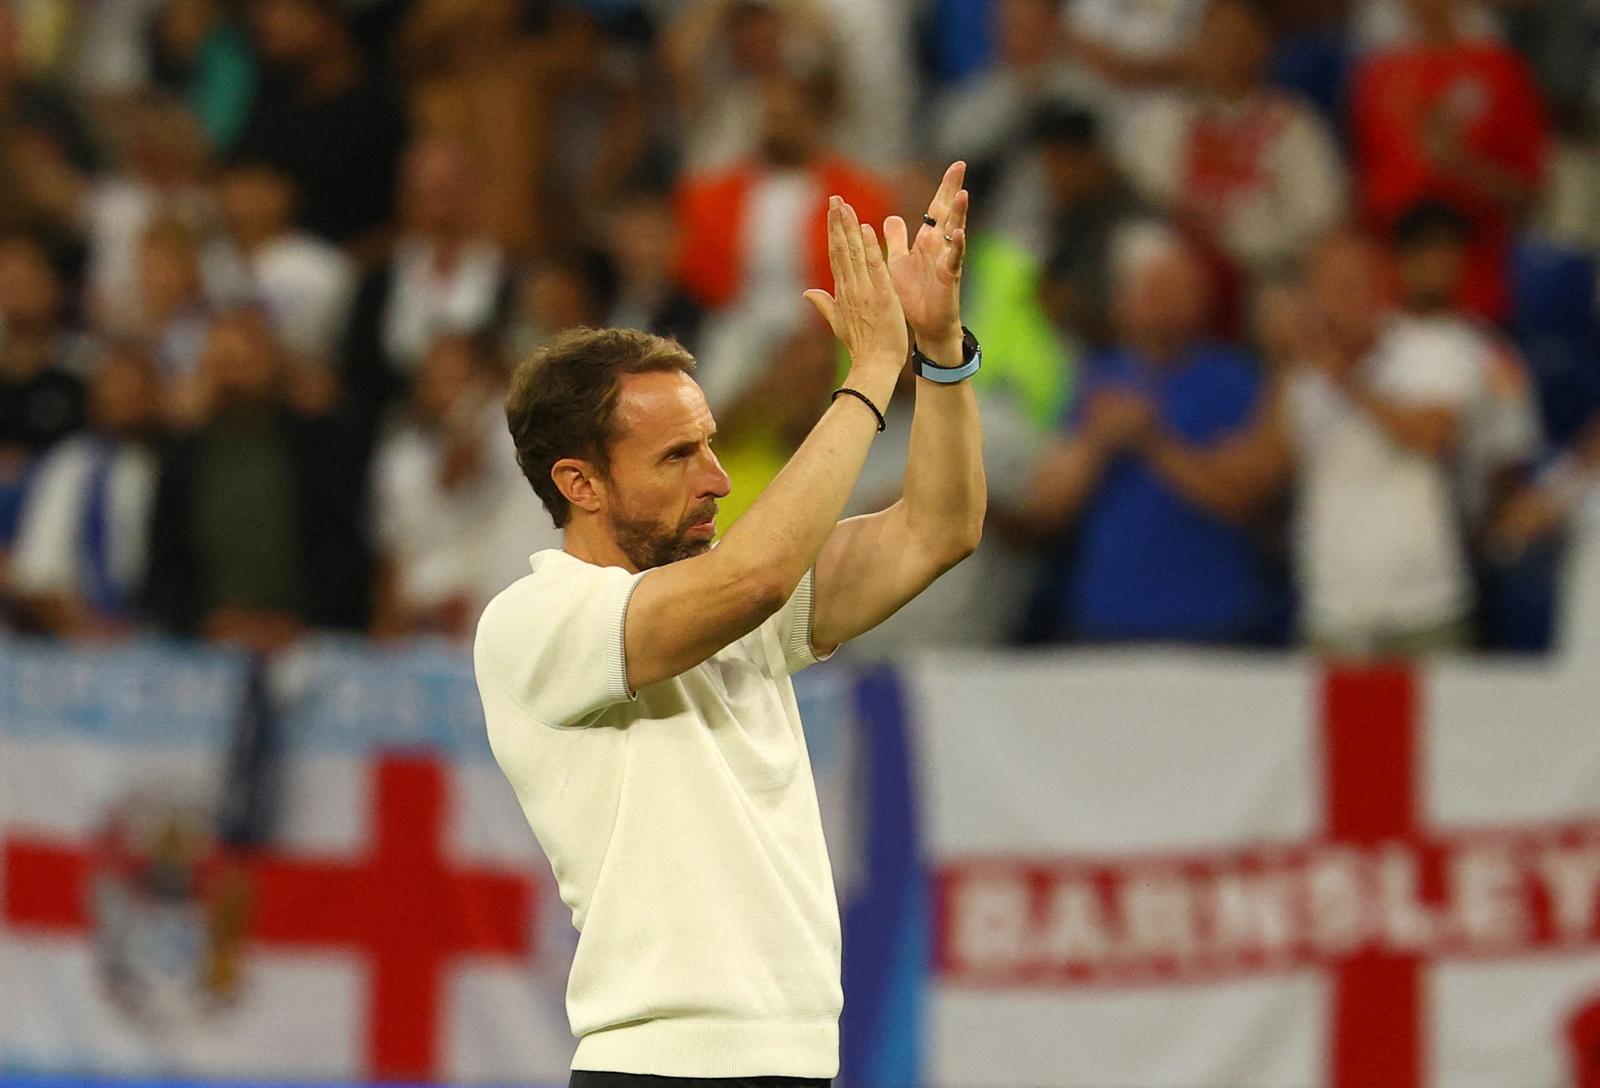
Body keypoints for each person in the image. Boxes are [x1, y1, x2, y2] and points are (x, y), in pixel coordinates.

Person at [474, 164, 985, 1085]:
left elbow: (938, 529)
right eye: (678, 456)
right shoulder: (535, 622)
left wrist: (941, 353)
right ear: (578, 484)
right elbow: (755, 576)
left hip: (794, 1063)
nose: (715, 478)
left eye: (712, 443)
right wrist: (870, 371)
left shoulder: (730, 597)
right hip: (660, 1070)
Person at [1022, 228, 1277, 643]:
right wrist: (1099, 443)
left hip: (1215, 623)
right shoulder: (1094, 380)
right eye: (1153, 289)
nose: (1165, 303)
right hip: (1106, 622)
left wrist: (1153, 443)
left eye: (1179, 289)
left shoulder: (1234, 380)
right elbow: (1047, 506)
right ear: (1121, 301)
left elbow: (1248, 495)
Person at [6, 343, 164, 638]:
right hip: (77, 636)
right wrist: (81, 628)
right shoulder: (72, 465)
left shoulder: (177, 466)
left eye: (135, 388)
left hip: (164, 632)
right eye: (114, 387)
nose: (124, 398)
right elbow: (37, 576)